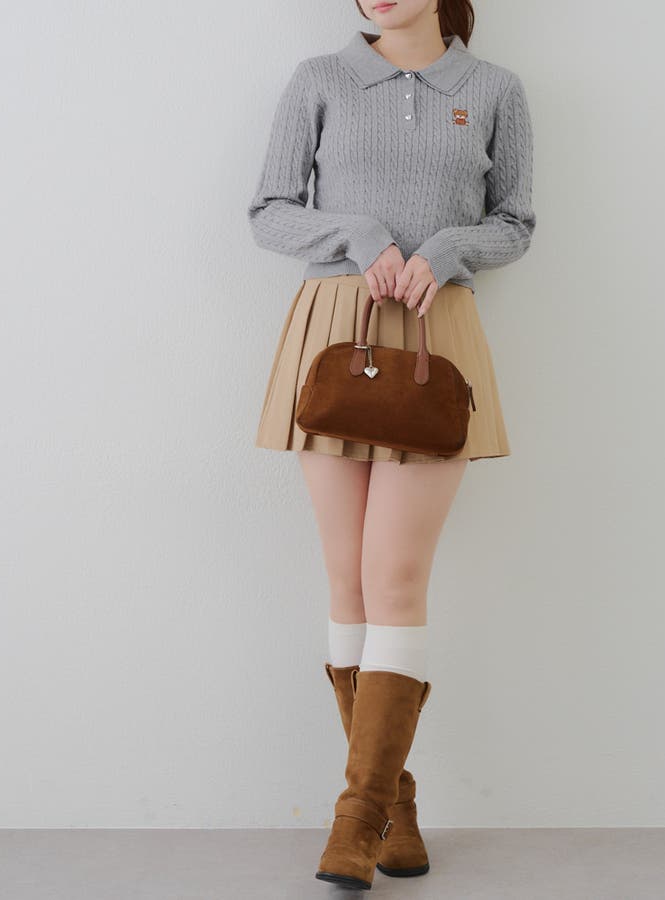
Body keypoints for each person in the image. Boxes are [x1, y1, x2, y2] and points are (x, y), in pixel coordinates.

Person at [246, 0, 536, 889]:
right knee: (347, 580)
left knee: (397, 580)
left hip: (434, 339)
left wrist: (445, 248)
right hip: (334, 332)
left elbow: (516, 222)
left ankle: (352, 821)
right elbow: (268, 211)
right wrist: (357, 234)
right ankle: (389, 811)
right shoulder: (320, 80)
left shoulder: (495, 89)